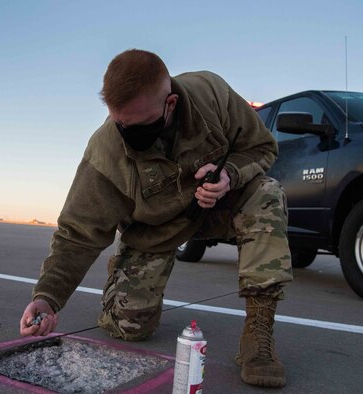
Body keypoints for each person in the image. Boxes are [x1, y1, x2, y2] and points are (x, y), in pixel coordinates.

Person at [19, 49, 293, 388]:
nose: (128, 134)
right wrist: (46, 296)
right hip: (155, 230)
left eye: (140, 125)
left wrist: (229, 176)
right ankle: (121, 280)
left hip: (217, 207)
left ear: (171, 103)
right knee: (128, 327)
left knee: (267, 193)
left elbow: (262, 147)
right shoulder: (106, 151)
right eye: (121, 124)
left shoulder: (212, 95)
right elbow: (78, 232)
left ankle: (259, 334)